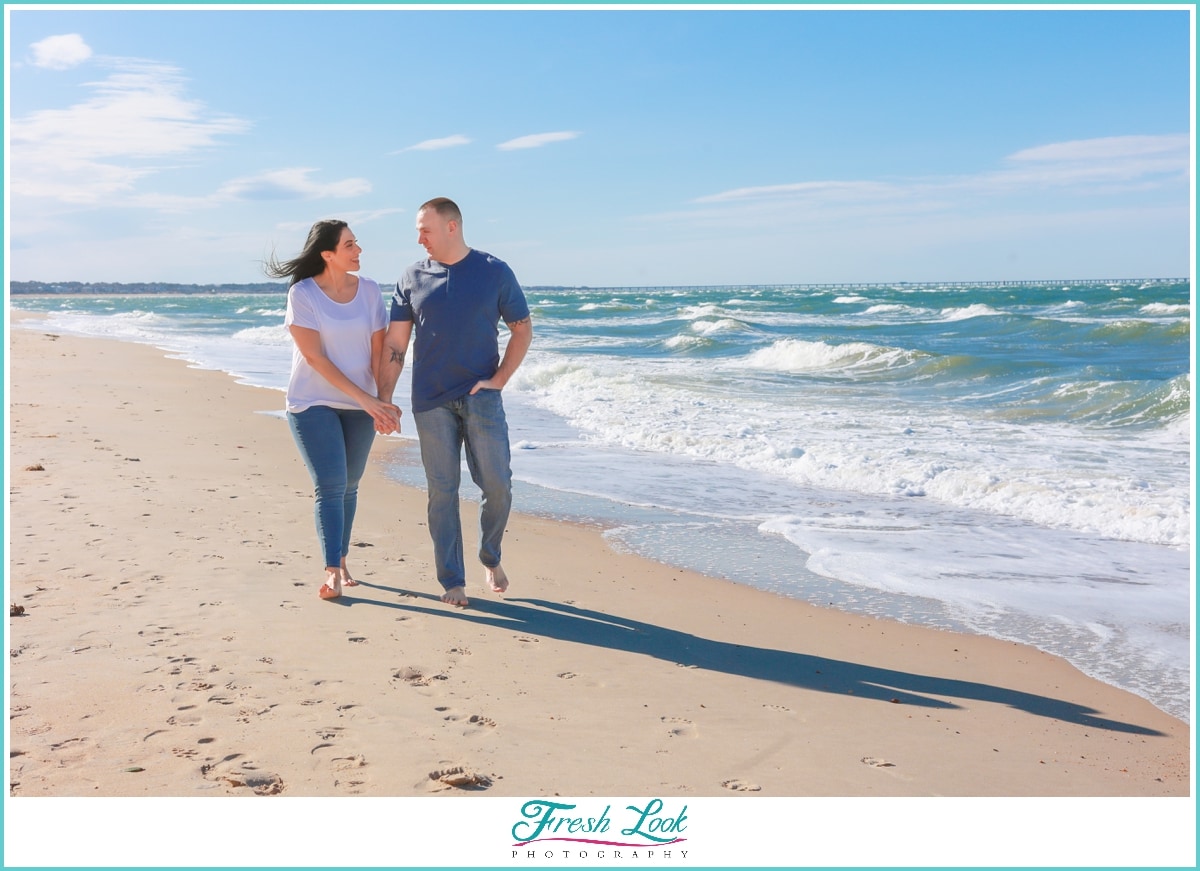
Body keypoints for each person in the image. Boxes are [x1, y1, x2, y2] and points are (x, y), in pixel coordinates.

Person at [377, 198, 533, 608]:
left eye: (425, 229)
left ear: (452, 227)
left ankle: (490, 554)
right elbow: (396, 343)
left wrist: (498, 379)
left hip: (481, 397)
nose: (419, 238)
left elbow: (522, 329)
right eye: (417, 231)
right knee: (441, 492)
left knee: (497, 485)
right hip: (430, 401)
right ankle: (452, 581)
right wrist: (384, 398)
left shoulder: (494, 271)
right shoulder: (411, 277)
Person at [266, 220, 402, 600]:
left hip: (362, 405)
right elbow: (315, 358)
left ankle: (342, 559)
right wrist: (367, 400)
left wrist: (383, 401)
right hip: (312, 403)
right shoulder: (303, 294)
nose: (358, 251)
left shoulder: (371, 291)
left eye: (356, 243)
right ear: (327, 255)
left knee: (350, 484)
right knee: (330, 485)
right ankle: (331, 573)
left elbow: (379, 352)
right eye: (350, 245)